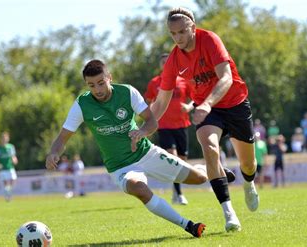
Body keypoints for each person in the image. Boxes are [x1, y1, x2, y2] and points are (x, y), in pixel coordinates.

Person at [45, 59, 208, 238]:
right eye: (91, 85)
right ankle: (188, 225)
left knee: (199, 179)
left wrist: (142, 132)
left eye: (101, 83)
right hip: (120, 167)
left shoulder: (127, 92)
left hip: (146, 153)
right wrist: (53, 152)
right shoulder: (82, 105)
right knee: (139, 189)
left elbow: (151, 121)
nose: (97, 90)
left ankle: (212, 170)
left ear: (110, 78)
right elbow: (62, 138)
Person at [150, 7, 258, 232]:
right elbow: (160, 103)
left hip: (235, 103)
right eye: (173, 34)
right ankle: (229, 213)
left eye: (182, 32)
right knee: (209, 148)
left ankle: (248, 183)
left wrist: (208, 103)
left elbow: (226, 78)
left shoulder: (209, 39)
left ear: (193, 27)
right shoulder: (173, 60)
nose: (178, 38)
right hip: (207, 110)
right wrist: (144, 128)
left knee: (248, 164)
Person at [144, 53, 192, 205]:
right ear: (159, 66)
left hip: (182, 125)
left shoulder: (183, 81)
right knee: (173, 158)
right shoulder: (154, 83)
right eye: (162, 62)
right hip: (163, 126)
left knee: (183, 161)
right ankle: (179, 194)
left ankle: (175, 191)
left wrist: (189, 107)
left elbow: (194, 98)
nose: (165, 64)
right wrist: (151, 114)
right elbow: (148, 102)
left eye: (167, 62)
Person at [0, 131, 18, 202]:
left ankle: (8, 194)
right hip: (3, 169)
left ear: (8, 139)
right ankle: (8, 197)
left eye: (5, 138)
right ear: (1, 139)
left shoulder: (11, 147)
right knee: (6, 184)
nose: (4, 140)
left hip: (10, 168)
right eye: (3, 138)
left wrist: (15, 160)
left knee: (13, 181)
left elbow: (13, 156)